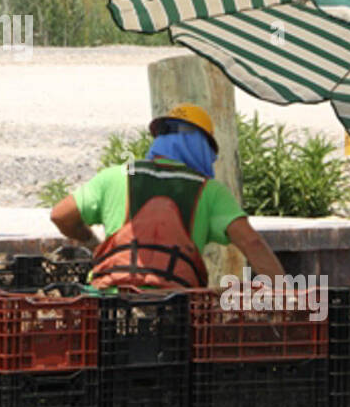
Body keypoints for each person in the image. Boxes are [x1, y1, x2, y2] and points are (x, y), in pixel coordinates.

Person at [49, 103, 286, 288]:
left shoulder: (115, 176)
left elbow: (60, 215)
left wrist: (92, 242)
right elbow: (252, 242)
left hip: (111, 300)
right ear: (202, 147)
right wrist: (286, 295)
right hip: (176, 305)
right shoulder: (210, 191)